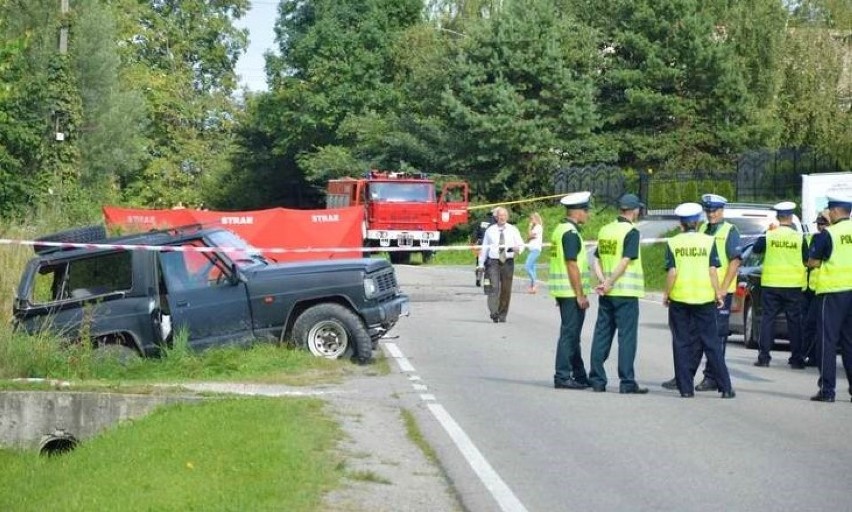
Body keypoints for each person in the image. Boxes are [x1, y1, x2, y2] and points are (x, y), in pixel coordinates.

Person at [662, 193, 741, 392]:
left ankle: (710, 377)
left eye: (714, 210)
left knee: (715, 338)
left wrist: (721, 290)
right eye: (707, 211)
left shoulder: (730, 230)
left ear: (722, 210)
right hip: (704, 293)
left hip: (719, 291)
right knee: (697, 338)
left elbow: (735, 262)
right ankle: (686, 376)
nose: (711, 214)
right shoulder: (703, 230)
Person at [588, 193, 648, 394]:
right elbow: (625, 260)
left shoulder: (606, 229)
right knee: (627, 337)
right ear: (634, 210)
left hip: (607, 294)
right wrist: (610, 282)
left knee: (602, 335)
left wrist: (602, 282)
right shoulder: (631, 231)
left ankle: (597, 380)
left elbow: (595, 259)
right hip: (625, 292)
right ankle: (627, 382)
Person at [806, 193, 852, 403]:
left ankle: (827, 390)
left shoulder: (829, 234)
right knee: (850, 342)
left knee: (828, 341)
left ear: (834, 211)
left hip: (833, 292)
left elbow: (813, 262)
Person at [751, 201, 808, 368]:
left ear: (777, 217)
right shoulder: (799, 237)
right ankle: (797, 359)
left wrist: (768, 231)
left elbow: (755, 249)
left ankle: (764, 357)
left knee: (768, 320)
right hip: (793, 285)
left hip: (772, 284)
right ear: (791, 217)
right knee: (794, 322)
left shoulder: (769, 234)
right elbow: (806, 258)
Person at [551, 191, 593, 390]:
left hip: (564, 291)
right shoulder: (570, 233)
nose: (588, 214)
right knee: (569, 334)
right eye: (586, 211)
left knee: (573, 334)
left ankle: (579, 374)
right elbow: (571, 264)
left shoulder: (560, 229)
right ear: (577, 212)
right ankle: (562, 375)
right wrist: (580, 294)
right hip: (570, 292)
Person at [477, 206, 525, 323]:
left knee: (506, 290)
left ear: (507, 217)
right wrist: (481, 264)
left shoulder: (513, 229)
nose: (502, 217)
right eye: (500, 215)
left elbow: (521, 245)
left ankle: (502, 314)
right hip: (493, 262)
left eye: (504, 215)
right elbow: (484, 248)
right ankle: (494, 312)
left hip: (508, 262)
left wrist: (517, 249)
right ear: (496, 217)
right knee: (494, 288)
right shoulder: (490, 230)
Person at [801, 210, 830, 366]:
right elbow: (808, 261)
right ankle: (810, 355)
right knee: (809, 324)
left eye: (822, 224)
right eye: (818, 224)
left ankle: (811, 355)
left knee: (815, 325)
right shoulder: (811, 238)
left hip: (824, 288)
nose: (819, 227)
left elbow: (813, 261)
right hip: (810, 288)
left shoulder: (827, 238)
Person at [473, 208, 497, 287]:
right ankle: (487, 282)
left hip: (480, 243)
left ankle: (478, 278)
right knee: (488, 264)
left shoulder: (481, 221)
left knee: (479, 261)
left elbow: (475, 232)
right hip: (488, 244)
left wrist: (474, 241)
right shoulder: (495, 223)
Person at [525, 212, 544, 293]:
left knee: (527, 266)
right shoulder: (535, 227)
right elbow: (529, 238)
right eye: (530, 219)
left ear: (536, 219)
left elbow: (530, 235)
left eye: (532, 219)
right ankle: (533, 286)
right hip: (532, 249)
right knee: (532, 268)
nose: (531, 220)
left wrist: (529, 227)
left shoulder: (538, 227)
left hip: (535, 250)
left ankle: (534, 284)